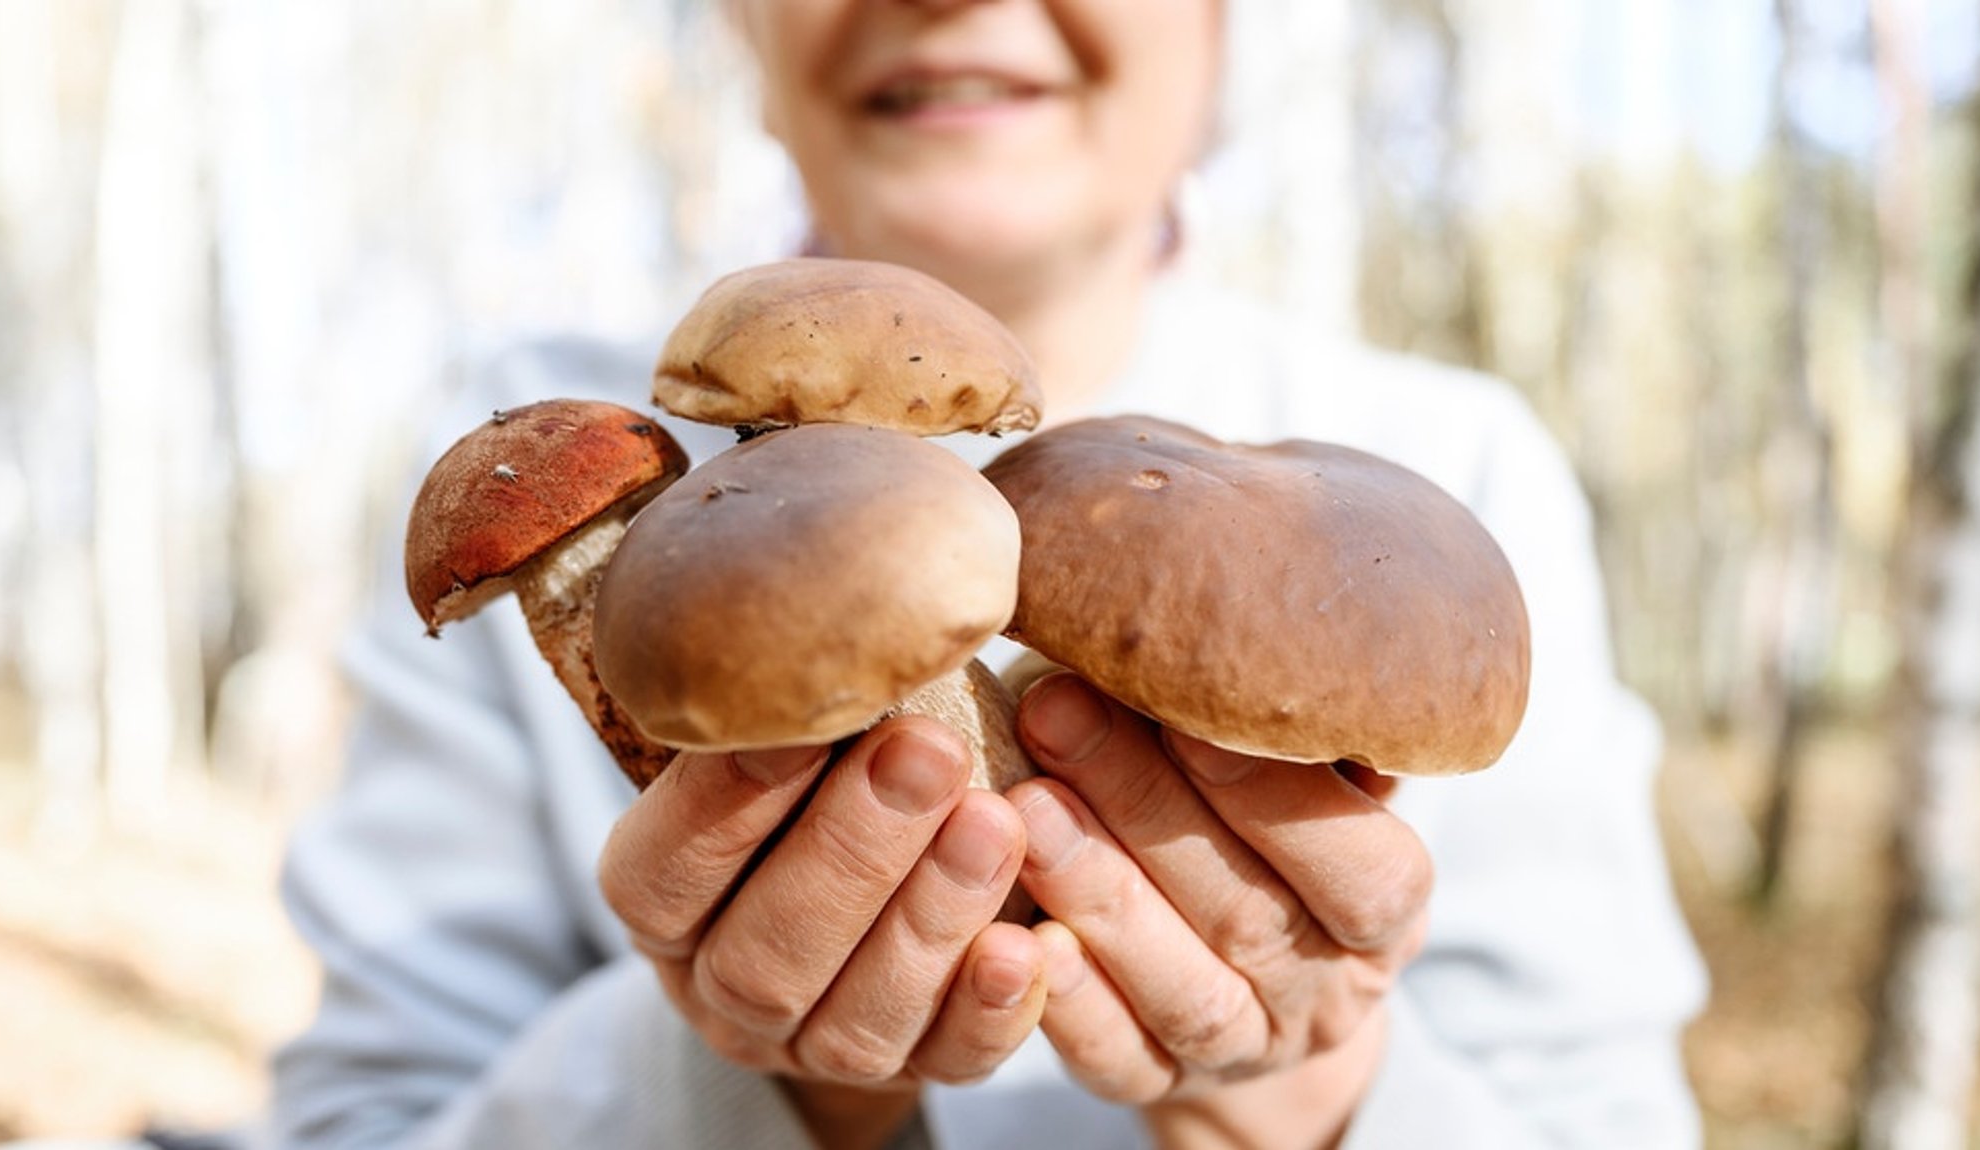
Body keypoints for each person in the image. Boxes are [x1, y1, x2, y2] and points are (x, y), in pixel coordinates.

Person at [271, 1, 1709, 1147]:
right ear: (744, 35)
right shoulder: (546, 458)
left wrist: (1310, 1097)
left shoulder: (1462, 463)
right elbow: (359, 1121)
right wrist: (757, 1086)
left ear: (1217, 33)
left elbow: (1603, 1116)